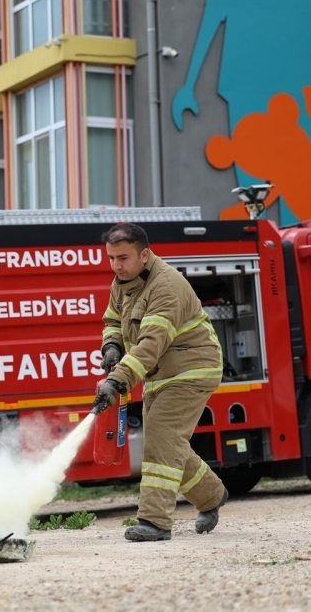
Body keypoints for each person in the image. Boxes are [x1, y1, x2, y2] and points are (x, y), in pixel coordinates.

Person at [93, 223, 227, 541]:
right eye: (111, 258)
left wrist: (117, 380)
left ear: (145, 254)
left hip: (192, 368)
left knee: (161, 436)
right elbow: (112, 319)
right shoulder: (122, 282)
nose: (116, 265)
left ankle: (154, 522)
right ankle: (211, 496)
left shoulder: (165, 286)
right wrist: (112, 345)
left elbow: (151, 344)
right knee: (169, 442)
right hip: (161, 373)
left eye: (123, 258)